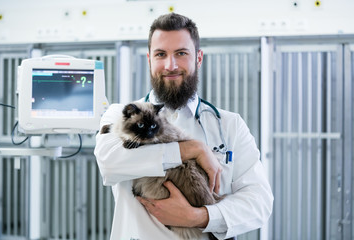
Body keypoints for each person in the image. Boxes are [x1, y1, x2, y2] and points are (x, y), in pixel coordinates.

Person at [94, 13, 273, 240]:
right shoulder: (119, 115)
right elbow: (108, 163)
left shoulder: (230, 124)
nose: (171, 65)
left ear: (198, 58)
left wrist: (199, 217)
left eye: (181, 53)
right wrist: (193, 150)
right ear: (149, 59)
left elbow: (259, 202)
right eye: (161, 54)